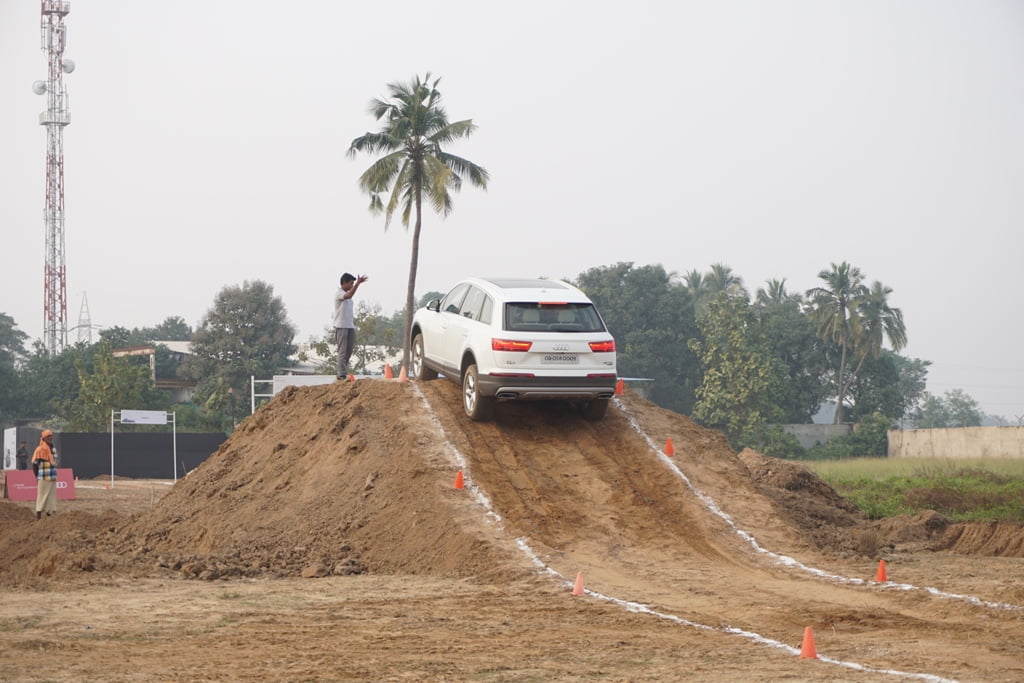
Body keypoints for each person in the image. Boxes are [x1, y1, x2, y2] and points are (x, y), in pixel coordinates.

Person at [333, 272, 368, 380]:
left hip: (350, 326)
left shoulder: (348, 296)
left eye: (353, 283)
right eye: (351, 283)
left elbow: (350, 296)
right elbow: (348, 295)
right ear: (344, 283)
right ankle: (341, 375)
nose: (352, 286)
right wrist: (358, 284)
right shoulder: (339, 294)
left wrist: (357, 284)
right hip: (341, 326)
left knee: (349, 351)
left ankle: (343, 372)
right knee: (342, 351)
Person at [32, 430, 58, 520]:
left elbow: (54, 462)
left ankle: (49, 514)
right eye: (48, 436)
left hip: (52, 477)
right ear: (44, 438)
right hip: (43, 477)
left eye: (51, 436)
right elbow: (35, 464)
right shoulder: (39, 449)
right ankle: (38, 516)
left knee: (51, 496)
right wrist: (37, 476)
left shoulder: (54, 449)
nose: (50, 438)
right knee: (42, 496)